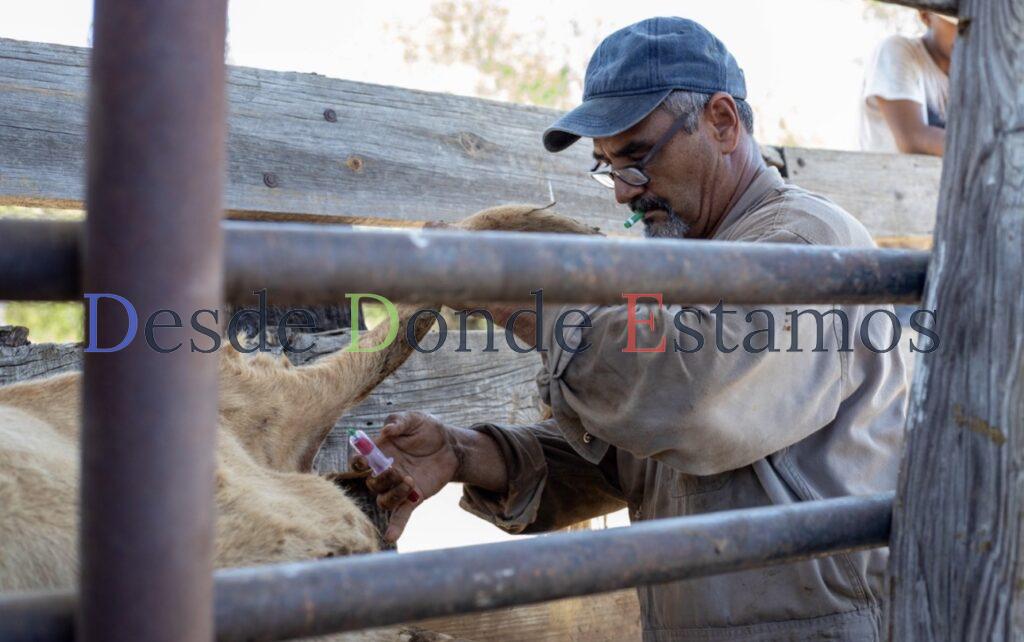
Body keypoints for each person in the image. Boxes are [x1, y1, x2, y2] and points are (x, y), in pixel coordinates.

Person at [357, 17, 908, 641]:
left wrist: (530, 307)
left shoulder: (803, 244)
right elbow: (633, 461)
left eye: (638, 158)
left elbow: (691, 402)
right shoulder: (681, 267)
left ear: (723, 122)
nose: (622, 192)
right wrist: (462, 453)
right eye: (607, 166)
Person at [860, 11, 958, 156]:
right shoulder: (896, 50)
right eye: (958, 24)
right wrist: (991, 151)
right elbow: (913, 139)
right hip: (889, 176)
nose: (970, 33)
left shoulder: (974, 75)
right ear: (925, 15)